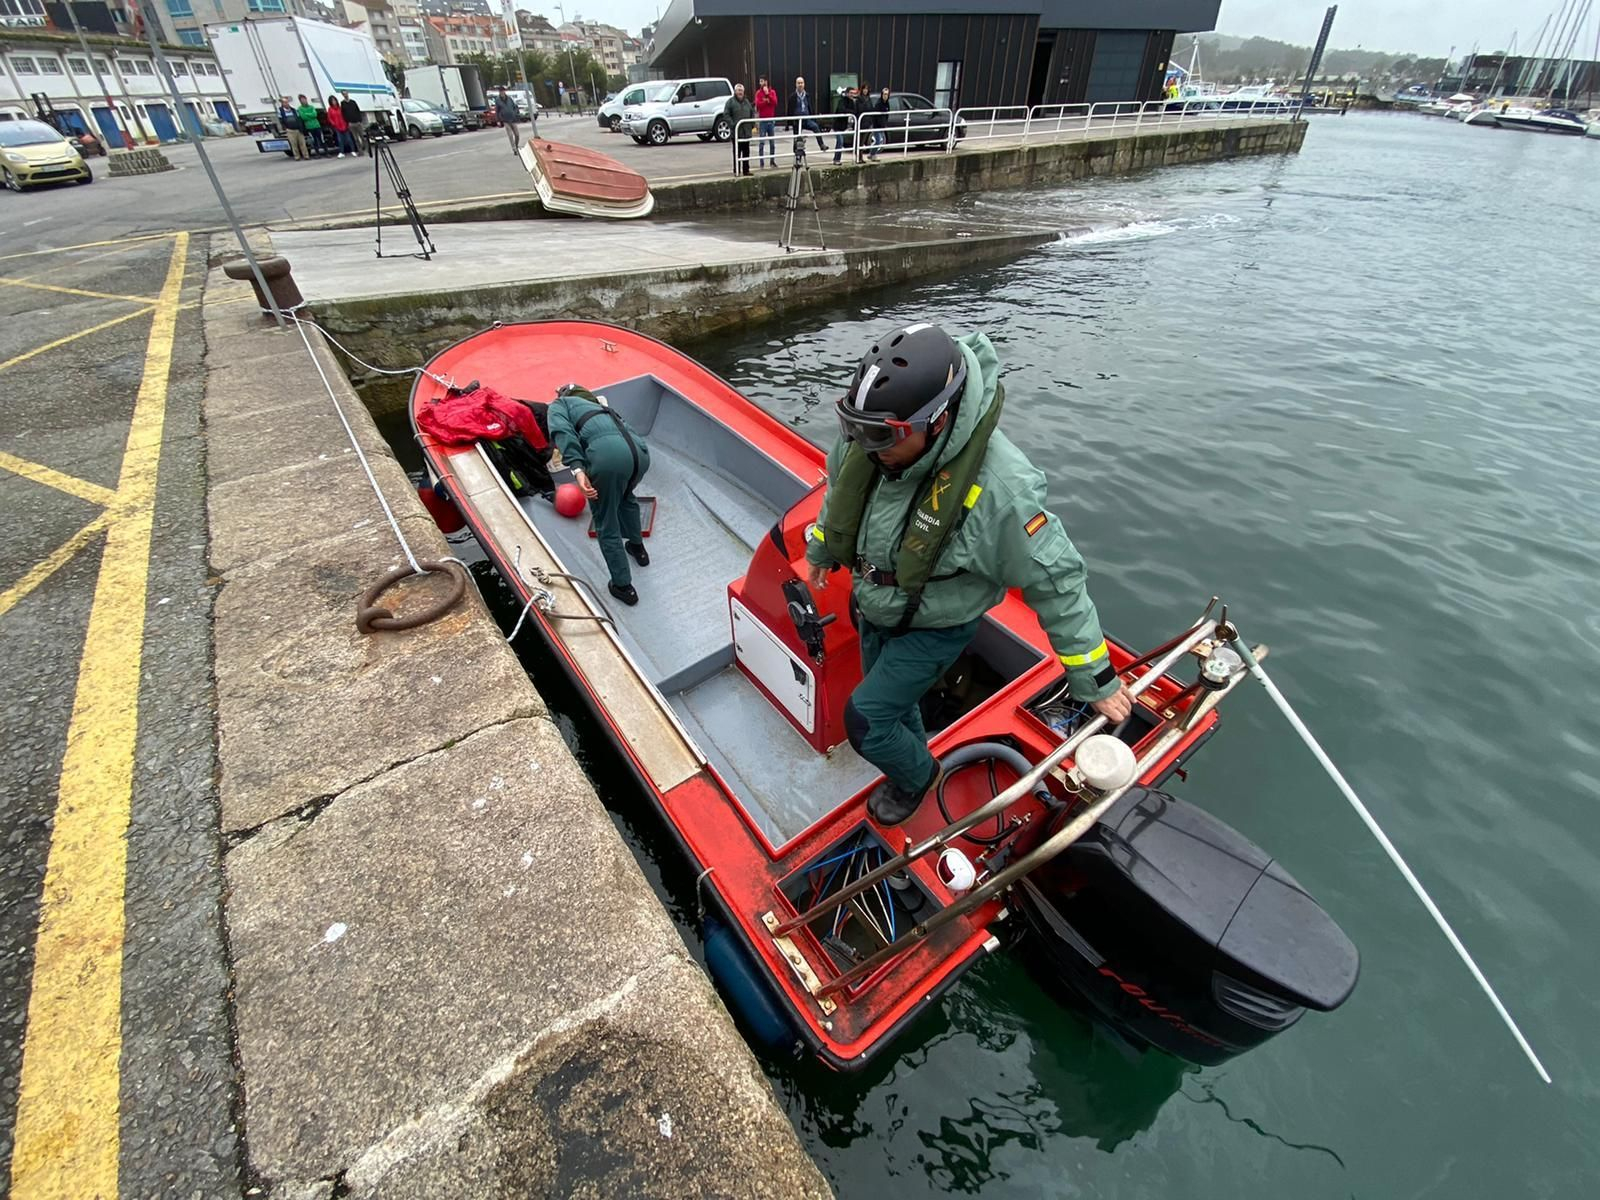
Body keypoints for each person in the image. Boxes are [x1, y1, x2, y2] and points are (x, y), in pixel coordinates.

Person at [805, 324, 1132, 825]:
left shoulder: (1002, 489)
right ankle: (910, 747)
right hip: (876, 601)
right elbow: (841, 499)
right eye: (855, 428)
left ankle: (918, 777)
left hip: (935, 625)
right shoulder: (872, 437)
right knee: (893, 703)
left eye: (881, 436)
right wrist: (824, 548)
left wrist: (1096, 679)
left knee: (866, 720)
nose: (865, 445)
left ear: (937, 421)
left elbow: (1056, 578)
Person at [546, 385, 652, 606]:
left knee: (606, 522)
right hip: (640, 456)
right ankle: (638, 549)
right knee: (626, 498)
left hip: (608, 459)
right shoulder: (604, 410)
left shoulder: (560, 405)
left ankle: (623, 586)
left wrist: (577, 469)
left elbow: (563, 433)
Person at [789, 76, 827, 153]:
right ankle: (796, 155)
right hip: (797, 121)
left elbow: (810, 107)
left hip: (806, 119)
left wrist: (813, 117)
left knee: (815, 127)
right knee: (797, 138)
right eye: (798, 83)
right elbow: (790, 109)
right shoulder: (793, 96)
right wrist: (790, 122)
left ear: (804, 84)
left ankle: (821, 145)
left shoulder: (807, 96)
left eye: (801, 83)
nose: (800, 85)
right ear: (796, 84)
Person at [724, 82, 755, 175]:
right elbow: (726, 114)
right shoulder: (730, 102)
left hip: (746, 132)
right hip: (737, 133)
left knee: (746, 152)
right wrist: (732, 124)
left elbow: (752, 113)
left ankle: (746, 170)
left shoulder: (747, 102)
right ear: (735, 91)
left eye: (741, 90)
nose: (740, 92)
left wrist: (751, 124)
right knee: (737, 152)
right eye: (738, 90)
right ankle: (736, 170)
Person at [831, 84, 860, 164]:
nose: (852, 95)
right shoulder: (842, 100)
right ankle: (836, 159)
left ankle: (837, 159)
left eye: (853, 93)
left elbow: (855, 111)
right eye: (850, 93)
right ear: (847, 93)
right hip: (838, 125)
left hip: (843, 126)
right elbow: (841, 109)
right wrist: (850, 112)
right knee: (840, 141)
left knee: (840, 142)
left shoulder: (852, 102)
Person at [754, 75, 779, 167]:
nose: (761, 83)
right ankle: (761, 162)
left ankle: (772, 161)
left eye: (762, 81)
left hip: (771, 121)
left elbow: (775, 102)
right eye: (760, 81)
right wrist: (766, 101)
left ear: (766, 82)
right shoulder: (758, 93)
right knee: (762, 142)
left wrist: (768, 94)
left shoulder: (772, 92)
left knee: (772, 143)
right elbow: (758, 105)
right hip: (763, 121)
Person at [277, 96, 308, 161]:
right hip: (290, 130)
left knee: (302, 144)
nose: (286, 104)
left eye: (287, 102)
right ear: (282, 104)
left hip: (298, 129)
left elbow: (299, 119)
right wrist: (285, 128)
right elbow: (281, 121)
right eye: (285, 102)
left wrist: (301, 128)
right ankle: (297, 157)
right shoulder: (281, 111)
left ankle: (306, 156)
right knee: (294, 144)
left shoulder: (293, 110)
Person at [866, 85, 890, 159]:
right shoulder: (878, 103)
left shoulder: (887, 103)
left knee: (879, 141)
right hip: (877, 125)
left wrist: (884, 123)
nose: (885, 96)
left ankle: (872, 154)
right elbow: (875, 115)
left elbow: (887, 113)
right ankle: (872, 154)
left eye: (887, 94)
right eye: (884, 94)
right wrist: (877, 124)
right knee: (878, 140)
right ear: (882, 94)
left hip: (882, 125)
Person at [496, 87, 521, 153]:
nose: (501, 92)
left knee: (517, 134)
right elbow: (497, 111)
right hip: (505, 120)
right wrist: (498, 120)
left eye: (502, 91)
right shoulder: (498, 100)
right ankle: (514, 149)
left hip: (513, 119)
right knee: (510, 135)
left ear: (504, 91)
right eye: (500, 91)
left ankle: (516, 145)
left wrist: (515, 113)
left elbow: (515, 107)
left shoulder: (509, 99)